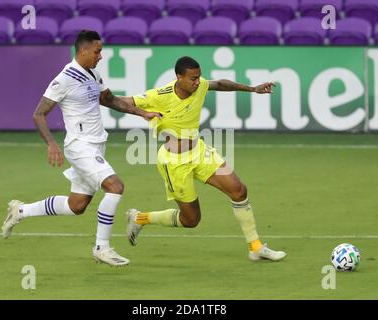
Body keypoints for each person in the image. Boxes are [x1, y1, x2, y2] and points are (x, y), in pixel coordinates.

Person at [1, 30, 160, 267]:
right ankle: (101, 248)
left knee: (76, 205)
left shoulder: (93, 74)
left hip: (96, 146)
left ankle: (20, 211)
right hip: (80, 147)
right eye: (97, 51)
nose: (101, 56)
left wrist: (143, 113)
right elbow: (39, 114)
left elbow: (110, 100)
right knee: (115, 187)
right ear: (83, 51)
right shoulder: (64, 78)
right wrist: (51, 143)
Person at [114, 56, 286, 262]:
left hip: (199, 152)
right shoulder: (161, 95)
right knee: (191, 220)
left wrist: (252, 89)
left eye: (199, 77)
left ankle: (255, 247)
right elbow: (123, 101)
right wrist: (142, 112)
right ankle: (140, 218)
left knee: (239, 190)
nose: (198, 82)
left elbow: (220, 84)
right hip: (174, 163)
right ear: (179, 77)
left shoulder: (200, 85)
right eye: (193, 78)